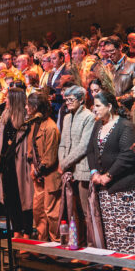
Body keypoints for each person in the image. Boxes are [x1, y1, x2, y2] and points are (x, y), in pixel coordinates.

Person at [87, 91, 135, 255]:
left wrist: (108, 176)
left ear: (109, 106)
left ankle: (134, 261)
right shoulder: (98, 125)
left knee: (130, 228)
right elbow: (90, 150)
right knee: (114, 229)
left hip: (127, 186)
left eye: (98, 106)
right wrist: (94, 172)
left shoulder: (125, 126)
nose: (94, 109)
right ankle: (117, 259)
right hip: (107, 189)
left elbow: (128, 155)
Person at [58, 85, 96, 248]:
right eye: (66, 100)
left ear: (81, 100)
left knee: (86, 211)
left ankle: (91, 245)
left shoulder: (89, 117)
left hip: (82, 168)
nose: (67, 103)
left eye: (71, 99)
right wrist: (62, 163)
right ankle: (77, 243)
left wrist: (66, 162)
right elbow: (62, 144)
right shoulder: (67, 117)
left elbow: (84, 145)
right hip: (68, 170)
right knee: (73, 210)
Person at [0, 88, 34, 238]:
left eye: (7, 98)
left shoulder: (26, 118)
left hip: (20, 163)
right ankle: (16, 229)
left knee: (23, 198)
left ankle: (27, 230)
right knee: (10, 196)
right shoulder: (5, 115)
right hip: (7, 163)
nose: (5, 100)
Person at [26, 91, 61, 241]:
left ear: (35, 107)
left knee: (51, 211)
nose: (26, 108)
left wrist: (39, 170)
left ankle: (55, 243)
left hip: (50, 175)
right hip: (38, 174)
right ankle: (42, 241)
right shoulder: (34, 124)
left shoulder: (51, 127)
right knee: (38, 210)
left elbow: (50, 156)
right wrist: (33, 168)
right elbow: (30, 149)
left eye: (28, 105)